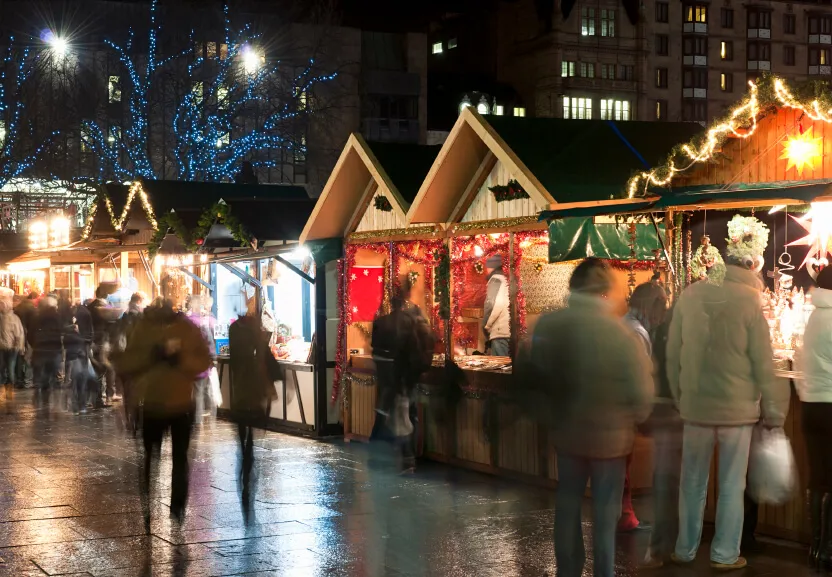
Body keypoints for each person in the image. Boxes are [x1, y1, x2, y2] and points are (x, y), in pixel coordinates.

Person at [529, 258, 653, 577]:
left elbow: (536, 372)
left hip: (568, 434)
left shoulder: (550, 325)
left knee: (568, 504)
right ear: (603, 290)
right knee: (605, 514)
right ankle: (603, 572)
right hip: (610, 440)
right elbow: (641, 391)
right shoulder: (621, 333)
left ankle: (567, 570)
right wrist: (636, 417)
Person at [667, 257, 790, 570]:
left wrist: (678, 395)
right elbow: (763, 361)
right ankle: (724, 554)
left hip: (695, 407)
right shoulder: (750, 301)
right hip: (738, 409)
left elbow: (673, 351)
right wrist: (775, 407)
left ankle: (685, 549)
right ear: (749, 271)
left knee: (691, 482)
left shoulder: (690, 295)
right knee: (732, 486)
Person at [114, 298, 211, 525]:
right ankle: (148, 506)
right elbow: (128, 362)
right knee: (150, 458)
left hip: (180, 405)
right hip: (152, 404)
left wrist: (180, 359)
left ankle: (177, 509)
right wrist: (152, 356)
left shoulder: (187, 328)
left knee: (178, 459)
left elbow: (204, 361)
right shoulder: (143, 329)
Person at [371, 277, 435, 473]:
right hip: (404, 378)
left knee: (394, 417)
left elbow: (375, 350)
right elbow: (416, 350)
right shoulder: (412, 320)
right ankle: (409, 457)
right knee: (405, 417)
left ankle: (392, 456)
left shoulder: (382, 322)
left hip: (390, 380)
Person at [617, 282, 667, 535]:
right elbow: (640, 374)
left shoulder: (624, 324)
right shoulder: (637, 332)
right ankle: (625, 516)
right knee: (621, 465)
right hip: (623, 407)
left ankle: (624, 514)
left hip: (616, 405)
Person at [641, 302, 684, 569]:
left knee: (664, 481)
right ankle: (662, 547)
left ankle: (660, 546)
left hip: (661, 408)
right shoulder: (683, 337)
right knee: (670, 483)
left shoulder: (656, 333)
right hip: (675, 412)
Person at [796, 266, 832, 570]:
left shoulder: (815, 317)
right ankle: (828, 551)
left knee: (818, 476)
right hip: (831, 404)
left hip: (810, 405)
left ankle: (815, 547)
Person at [228, 297, 277, 516]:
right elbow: (265, 355)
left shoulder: (234, 330)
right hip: (253, 387)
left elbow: (235, 358)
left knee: (242, 423)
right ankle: (248, 449)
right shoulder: (256, 332)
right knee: (250, 426)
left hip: (240, 387)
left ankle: (244, 446)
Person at [30, 296, 63, 405]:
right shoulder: (58, 317)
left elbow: (30, 334)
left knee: (38, 371)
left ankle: (38, 389)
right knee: (50, 372)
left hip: (39, 349)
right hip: (53, 350)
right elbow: (62, 333)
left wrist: (34, 344)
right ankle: (46, 393)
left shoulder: (36, 317)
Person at [482, 254, 510, 357]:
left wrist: (486, 325)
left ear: (491, 267)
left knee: (500, 369)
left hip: (499, 331)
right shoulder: (506, 279)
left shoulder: (495, 280)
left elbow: (493, 304)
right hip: (507, 330)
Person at [13, 292, 37, 388]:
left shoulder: (17, 309)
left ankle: (18, 380)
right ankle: (28, 381)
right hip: (28, 337)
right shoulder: (31, 309)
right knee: (28, 358)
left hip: (17, 336)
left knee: (19, 359)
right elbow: (33, 325)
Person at [0, 298, 25, 390]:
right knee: (3, 366)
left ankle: (11, 384)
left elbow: (18, 333)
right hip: (3, 346)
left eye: (2, 305)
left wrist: (18, 345)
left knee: (10, 366)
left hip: (11, 347)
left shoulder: (13, 318)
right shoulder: (3, 317)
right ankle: (6, 383)